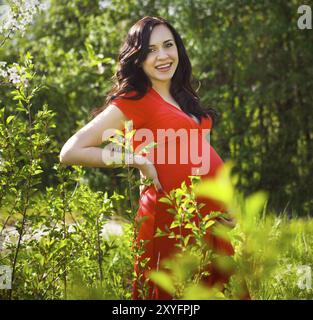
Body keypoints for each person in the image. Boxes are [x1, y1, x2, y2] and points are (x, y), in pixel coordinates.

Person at [59, 16, 250, 300]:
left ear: (178, 49)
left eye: (168, 45)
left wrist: (225, 202)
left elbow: (199, 156)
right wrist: (136, 160)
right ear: (137, 59)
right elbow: (70, 151)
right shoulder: (133, 99)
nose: (162, 56)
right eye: (150, 50)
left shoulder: (183, 97)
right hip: (168, 224)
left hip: (208, 223)